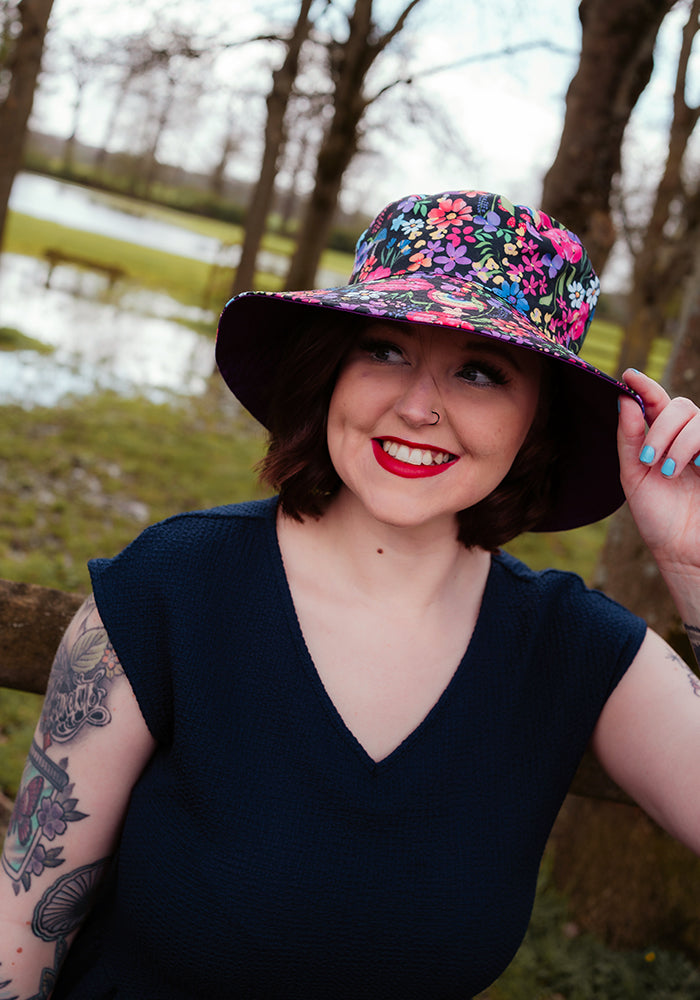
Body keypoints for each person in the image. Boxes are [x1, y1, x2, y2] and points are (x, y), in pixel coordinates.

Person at [1, 189, 700, 999]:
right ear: (331, 369)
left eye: (479, 371)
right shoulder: (174, 584)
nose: (416, 407)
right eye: (385, 350)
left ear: (537, 422)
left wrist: (692, 565)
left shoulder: (574, 650)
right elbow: (23, 934)